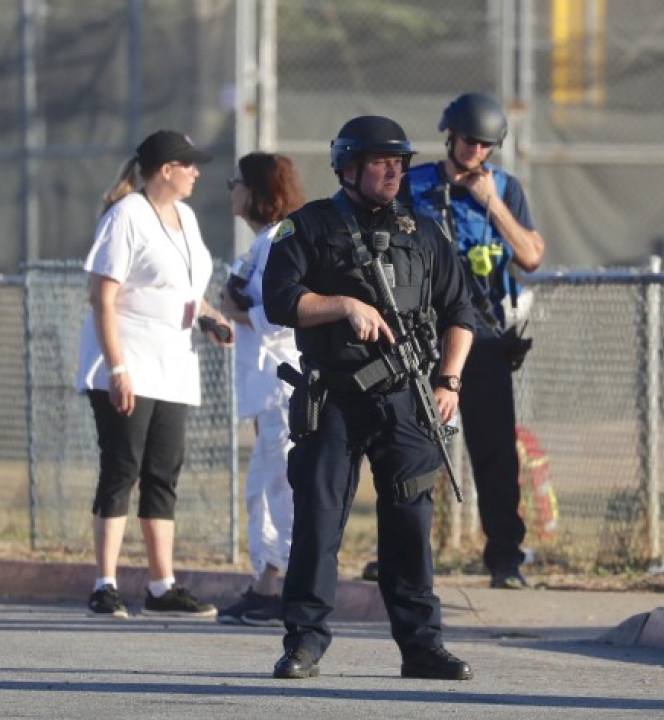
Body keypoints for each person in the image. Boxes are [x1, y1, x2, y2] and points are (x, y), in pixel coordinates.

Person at [262, 116, 477, 680]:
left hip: (407, 400)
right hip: (334, 396)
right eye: (382, 162)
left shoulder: (423, 232)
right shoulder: (307, 227)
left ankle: (422, 647)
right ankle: (304, 642)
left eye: (400, 162)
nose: (394, 172)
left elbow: (461, 312)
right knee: (319, 520)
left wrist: (448, 380)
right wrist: (344, 306)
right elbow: (280, 301)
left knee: (409, 524)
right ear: (348, 167)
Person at [75, 129, 232, 619]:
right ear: (166, 169)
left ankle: (162, 586)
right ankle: (105, 583)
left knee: (163, 472)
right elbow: (102, 297)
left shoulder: (184, 216)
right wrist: (118, 368)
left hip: (173, 364)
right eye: (188, 165)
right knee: (123, 467)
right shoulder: (126, 217)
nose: (196, 172)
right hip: (129, 360)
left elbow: (184, 287)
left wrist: (208, 315)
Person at [397, 91, 545, 590]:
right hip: (420, 340)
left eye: (486, 146)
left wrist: (492, 204)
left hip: (482, 340)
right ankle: (401, 553)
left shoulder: (504, 189)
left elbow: (531, 256)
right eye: (469, 142)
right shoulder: (413, 184)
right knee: (411, 448)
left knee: (496, 452)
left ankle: (505, 556)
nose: (476, 153)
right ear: (450, 135)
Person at [215, 152, 305, 626]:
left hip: (282, 384)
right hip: (264, 387)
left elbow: (278, 317)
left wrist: (234, 309)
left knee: (280, 487)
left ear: (256, 191)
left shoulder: (279, 242)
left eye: (236, 183)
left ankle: (290, 584)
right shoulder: (262, 244)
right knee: (265, 487)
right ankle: (266, 584)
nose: (230, 191)